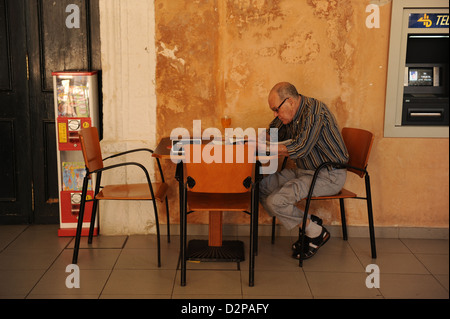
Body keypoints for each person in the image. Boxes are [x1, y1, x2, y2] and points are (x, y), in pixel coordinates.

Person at [259, 82, 349, 259]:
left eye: (276, 109)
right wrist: (248, 140)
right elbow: (272, 133)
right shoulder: (290, 113)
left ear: (290, 101)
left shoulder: (315, 112)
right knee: (261, 188)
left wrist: (265, 147)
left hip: (328, 175)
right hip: (304, 171)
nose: (275, 114)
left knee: (276, 201)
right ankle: (308, 222)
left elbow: (301, 148)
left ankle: (315, 231)